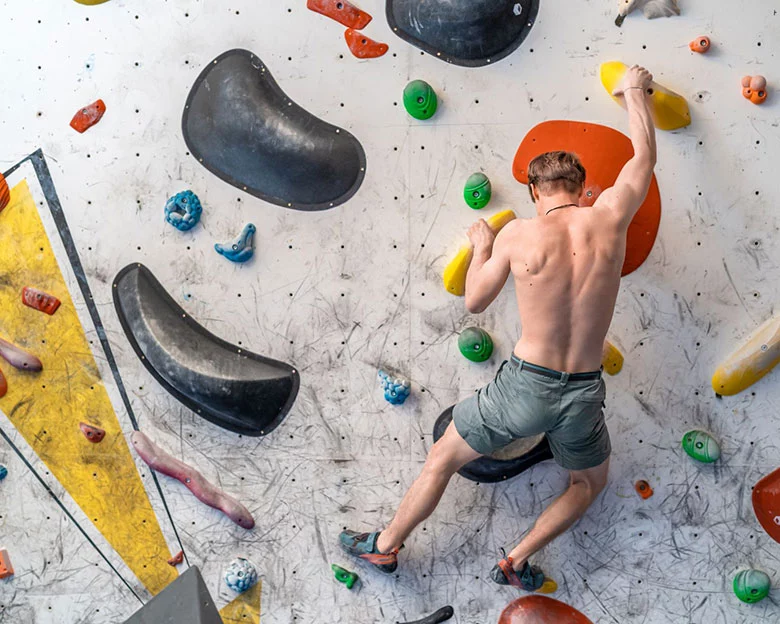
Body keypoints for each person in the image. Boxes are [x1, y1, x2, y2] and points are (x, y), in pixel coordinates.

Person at [339, 65, 657, 590]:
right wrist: (634, 92)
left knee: (443, 457)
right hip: (581, 391)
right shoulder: (610, 218)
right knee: (587, 482)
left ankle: (385, 546)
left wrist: (485, 246)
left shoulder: (519, 237)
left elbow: (475, 301)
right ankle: (515, 559)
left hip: (524, 385)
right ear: (580, 188)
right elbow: (643, 158)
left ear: (535, 190)